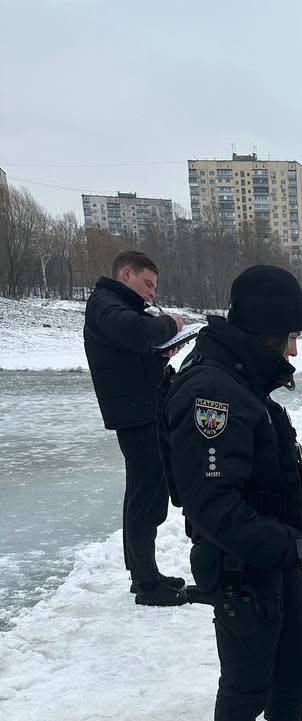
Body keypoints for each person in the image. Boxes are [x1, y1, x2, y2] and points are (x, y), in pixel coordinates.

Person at [165, 266, 302, 721]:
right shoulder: (211, 392)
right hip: (243, 568)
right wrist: (296, 545)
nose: (295, 349)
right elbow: (215, 508)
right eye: (292, 335)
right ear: (268, 330)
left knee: (295, 667)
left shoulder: (244, 385)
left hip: (276, 560)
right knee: (245, 687)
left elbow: (267, 465)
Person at [84, 250, 188, 605]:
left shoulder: (115, 305)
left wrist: (159, 354)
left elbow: (129, 346)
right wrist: (171, 326)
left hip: (141, 408)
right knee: (147, 496)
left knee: (143, 492)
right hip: (135, 413)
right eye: (148, 284)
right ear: (126, 274)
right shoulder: (106, 302)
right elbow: (132, 331)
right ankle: (147, 584)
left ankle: (143, 574)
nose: (152, 294)